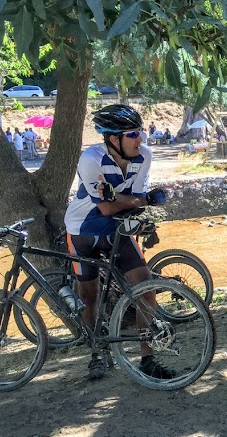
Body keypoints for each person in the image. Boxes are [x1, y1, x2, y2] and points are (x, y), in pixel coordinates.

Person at [63, 104, 172, 380]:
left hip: (117, 229)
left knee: (146, 288)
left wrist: (131, 202)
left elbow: (134, 201)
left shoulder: (144, 155)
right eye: (133, 134)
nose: (140, 139)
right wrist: (138, 200)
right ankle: (98, 354)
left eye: (140, 132)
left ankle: (148, 358)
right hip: (82, 230)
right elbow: (107, 207)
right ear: (114, 139)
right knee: (89, 296)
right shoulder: (91, 159)